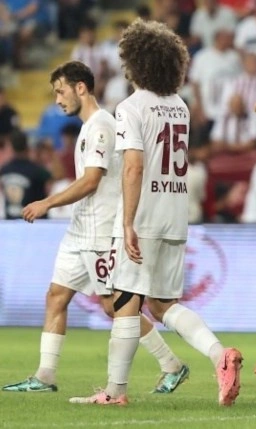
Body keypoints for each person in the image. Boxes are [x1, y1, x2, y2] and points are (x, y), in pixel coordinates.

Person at [69, 19, 242, 407]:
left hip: (143, 216)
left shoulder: (131, 107)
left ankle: (115, 391)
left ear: (135, 62)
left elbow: (134, 166)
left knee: (125, 302)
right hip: (175, 216)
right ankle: (219, 355)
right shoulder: (180, 107)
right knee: (162, 305)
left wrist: (127, 222)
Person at [2, 61, 189, 395]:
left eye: (61, 91)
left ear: (81, 88)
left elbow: (91, 181)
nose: (57, 100)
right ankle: (45, 376)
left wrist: (47, 203)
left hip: (100, 231)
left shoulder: (102, 125)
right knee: (56, 296)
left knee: (113, 306)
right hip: (79, 230)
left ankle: (171, 365)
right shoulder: (90, 126)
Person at [0, 130, 51, 219]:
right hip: (35, 221)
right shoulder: (37, 170)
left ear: (11, 147)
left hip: (11, 221)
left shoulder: (4, 170)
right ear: (27, 147)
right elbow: (53, 181)